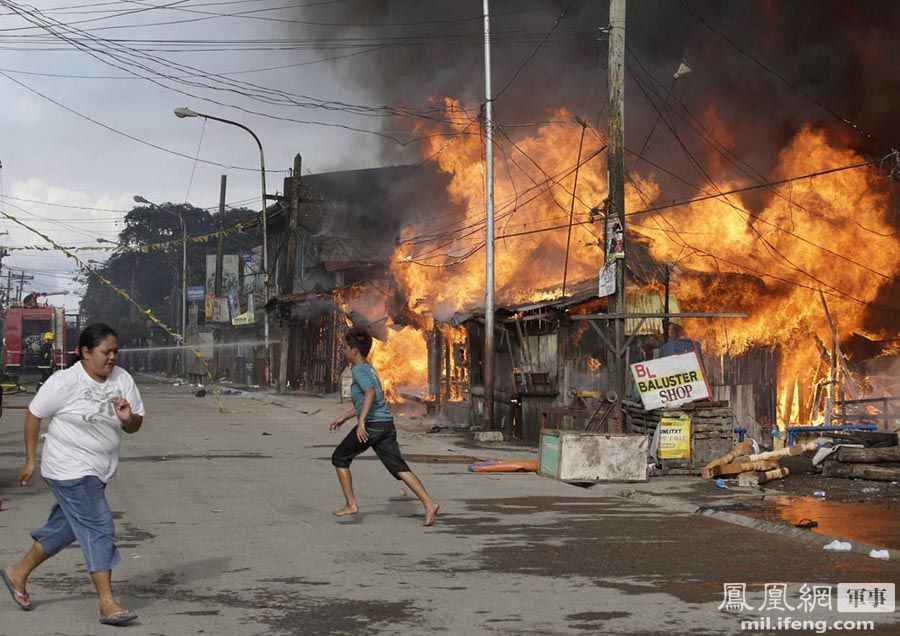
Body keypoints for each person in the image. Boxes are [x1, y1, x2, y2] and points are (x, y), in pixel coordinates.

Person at [2, 323, 145, 626]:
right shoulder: (65, 381)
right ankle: (107, 604)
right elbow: (34, 414)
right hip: (67, 469)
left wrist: (127, 417)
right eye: (106, 352)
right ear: (85, 352)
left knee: (66, 527)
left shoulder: (123, 380)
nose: (112, 358)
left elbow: (135, 425)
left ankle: (18, 572)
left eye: (115, 352)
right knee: (99, 527)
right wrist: (30, 460)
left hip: (98, 471)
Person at [329, 328, 439, 527]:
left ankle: (351, 504)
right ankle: (429, 503)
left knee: (339, 458)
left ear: (354, 350)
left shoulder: (359, 369)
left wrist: (361, 422)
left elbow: (370, 393)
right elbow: (369, 401)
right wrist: (344, 418)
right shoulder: (369, 368)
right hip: (385, 424)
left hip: (373, 426)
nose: (343, 351)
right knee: (398, 467)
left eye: (346, 347)